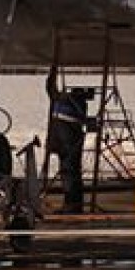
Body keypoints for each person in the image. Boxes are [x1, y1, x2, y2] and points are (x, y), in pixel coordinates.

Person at [45, 73, 95, 214]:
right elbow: (51, 89)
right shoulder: (72, 104)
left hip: (67, 141)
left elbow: (51, 89)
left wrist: (52, 73)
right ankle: (72, 204)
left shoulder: (64, 102)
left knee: (70, 172)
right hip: (68, 140)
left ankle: (72, 205)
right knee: (71, 171)